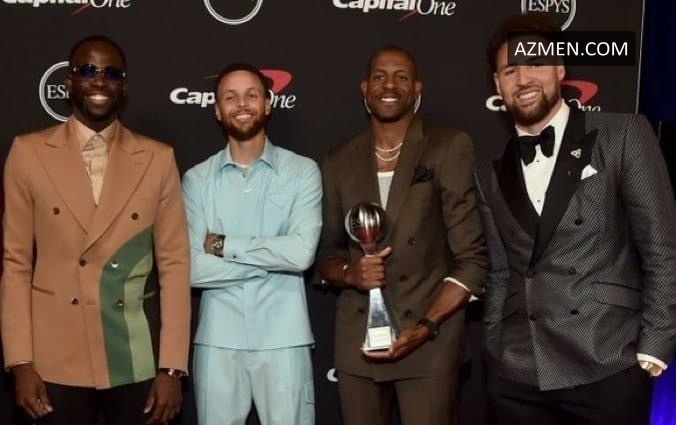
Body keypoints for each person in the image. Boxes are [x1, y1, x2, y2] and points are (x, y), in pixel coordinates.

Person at [476, 14, 676, 425]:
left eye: (535, 63)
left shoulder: (622, 135)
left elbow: (661, 248)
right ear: (497, 84)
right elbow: (499, 272)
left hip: (606, 361)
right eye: (510, 70)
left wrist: (654, 345)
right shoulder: (490, 172)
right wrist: (494, 346)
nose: (523, 78)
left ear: (560, 69)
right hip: (518, 371)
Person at [1, 35, 191, 425]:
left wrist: (172, 368)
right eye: (88, 70)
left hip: (132, 356)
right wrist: (20, 362)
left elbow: (174, 266)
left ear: (124, 86)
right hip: (53, 360)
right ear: (69, 81)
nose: (100, 80)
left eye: (111, 73)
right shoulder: (27, 152)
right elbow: (15, 264)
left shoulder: (157, 158)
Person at [316, 45, 487, 425]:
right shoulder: (338, 159)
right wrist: (350, 273)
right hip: (358, 343)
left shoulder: (448, 146)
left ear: (417, 89)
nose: (389, 85)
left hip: (429, 341)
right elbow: (326, 252)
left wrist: (425, 327)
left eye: (401, 77)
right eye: (379, 76)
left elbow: (472, 260)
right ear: (365, 88)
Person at [182, 63, 321, 425]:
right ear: (217, 110)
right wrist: (268, 265)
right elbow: (191, 268)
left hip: (285, 338)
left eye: (251, 95)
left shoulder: (302, 171)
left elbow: (301, 254)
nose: (241, 104)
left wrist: (224, 243)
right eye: (230, 97)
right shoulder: (197, 180)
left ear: (268, 103)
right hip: (218, 340)